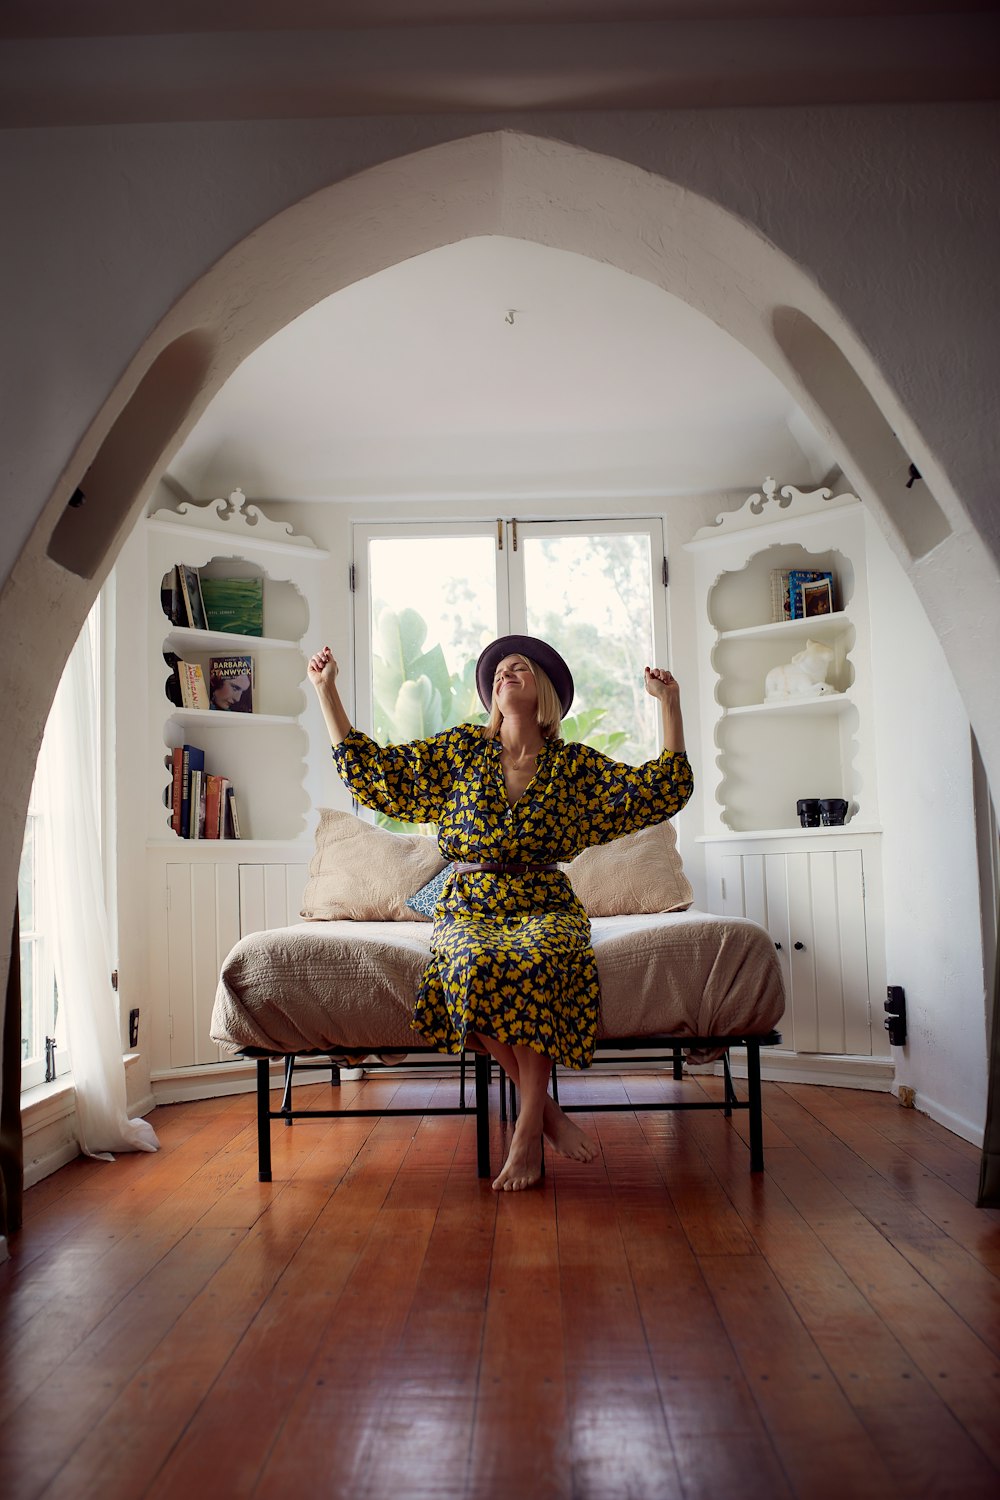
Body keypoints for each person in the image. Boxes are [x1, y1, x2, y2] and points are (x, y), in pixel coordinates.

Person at [308, 634, 693, 1192]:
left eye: (520, 668)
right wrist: (327, 692)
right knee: (472, 965)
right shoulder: (462, 750)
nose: (505, 673)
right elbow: (376, 774)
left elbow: (661, 789)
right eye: (499, 671)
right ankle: (545, 1118)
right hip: (469, 904)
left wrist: (670, 706)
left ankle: (527, 1130)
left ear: (546, 693)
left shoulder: (575, 766)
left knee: (540, 959)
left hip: (545, 901)